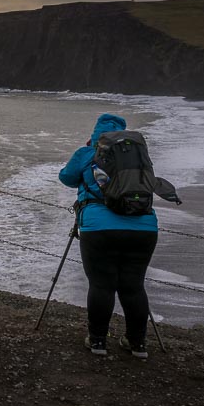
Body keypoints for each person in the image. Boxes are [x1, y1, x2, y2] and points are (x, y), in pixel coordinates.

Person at [58, 113, 158, 359]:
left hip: (99, 228)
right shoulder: (136, 156)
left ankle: (98, 341)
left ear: (96, 133)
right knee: (133, 286)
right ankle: (138, 345)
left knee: (102, 284)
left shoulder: (88, 153)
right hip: (144, 227)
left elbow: (66, 178)